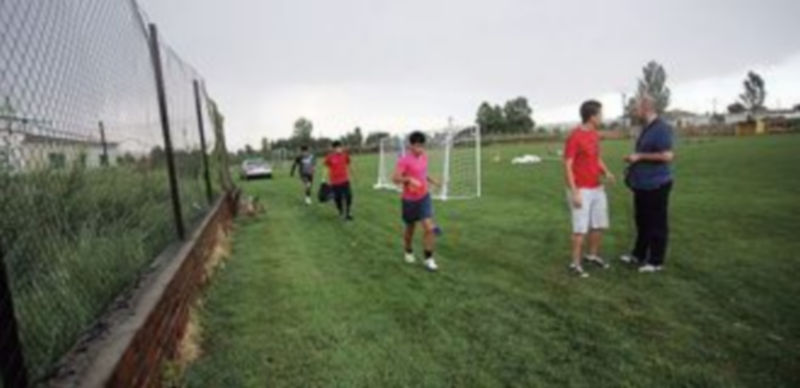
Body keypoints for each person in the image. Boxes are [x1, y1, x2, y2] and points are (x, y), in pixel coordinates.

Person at [621, 93, 675, 273]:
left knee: (656, 223)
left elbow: (668, 156)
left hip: (657, 184)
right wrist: (633, 161)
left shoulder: (661, 128)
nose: (634, 110)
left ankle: (656, 261)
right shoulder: (647, 127)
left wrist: (640, 156)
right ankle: (638, 255)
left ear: (646, 108)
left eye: (636, 107)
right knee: (642, 221)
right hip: (642, 184)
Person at [563, 100, 615, 278]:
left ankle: (592, 256)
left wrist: (606, 172)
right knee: (580, 229)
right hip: (581, 190)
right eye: (600, 114)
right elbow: (568, 165)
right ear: (591, 116)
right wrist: (575, 191)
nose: (602, 117)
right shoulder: (574, 137)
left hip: (597, 188)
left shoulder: (594, 134)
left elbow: (596, 158)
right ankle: (575, 264)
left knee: (598, 225)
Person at [392, 131, 440, 271]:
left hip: (424, 197)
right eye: (417, 146)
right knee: (410, 229)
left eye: (422, 146)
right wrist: (408, 179)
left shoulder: (424, 157)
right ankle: (408, 250)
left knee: (429, 228)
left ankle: (428, 259)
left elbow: (423, 174)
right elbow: (395, 178)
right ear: (411, 146)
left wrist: (433, 180)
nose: (420, 149)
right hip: (409, 201)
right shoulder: (404, 160)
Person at [324, 141, 354, 220]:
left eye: (340, 147)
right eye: (338, 147)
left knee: (349, 196)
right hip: (335, 182)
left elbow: (349, 164)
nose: (340, 149)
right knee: (338, 198)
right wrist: (324, 179)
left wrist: (352, 174)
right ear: (334, 148)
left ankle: (348, 213)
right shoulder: (329, 157)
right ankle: (340, 211)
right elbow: (326, 168)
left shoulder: (345, 155)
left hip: (345, 180)